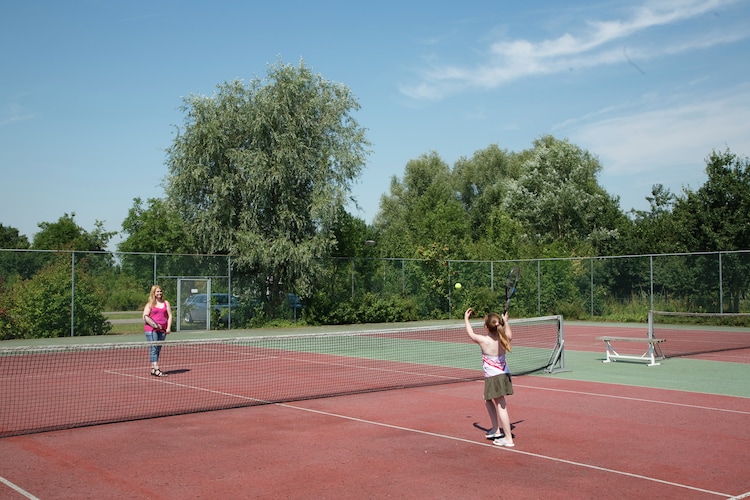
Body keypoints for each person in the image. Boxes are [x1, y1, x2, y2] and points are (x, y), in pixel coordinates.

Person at [464, 307, 515, 447]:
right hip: (503, 375)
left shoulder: (485, 341)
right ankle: (495, 429)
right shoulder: (504, 337)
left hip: (495, 377)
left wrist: (466, 319)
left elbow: (471, 334)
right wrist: (506, 322)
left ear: (486, 327)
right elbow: (509, 334)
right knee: (487, 399)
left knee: (501, 406)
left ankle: (508, 439)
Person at [143, 285, 172, 377]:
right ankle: (156, 368)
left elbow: (170, 315)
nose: (159, 293)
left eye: (160, 291)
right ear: (154, 293)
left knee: (157, 349)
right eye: (157, 292)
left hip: (163, 330)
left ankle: (153, 368)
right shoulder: (149, 304)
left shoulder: (166, 303)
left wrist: (168, 328)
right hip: (151, 330)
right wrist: (155, 325)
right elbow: (145, 316)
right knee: (154, 349)